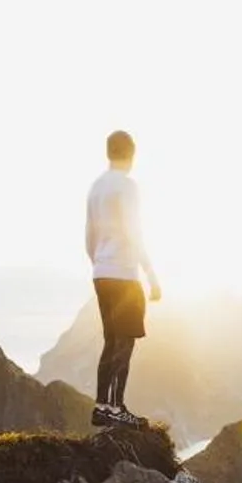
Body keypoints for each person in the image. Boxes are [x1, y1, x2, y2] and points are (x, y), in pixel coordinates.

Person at [85, 130, 161, 424]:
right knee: (125, 341)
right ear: (131, 154)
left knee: (110, 340)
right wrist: (150, 273)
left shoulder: (95, 188)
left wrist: (98, 263)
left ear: (108, 152)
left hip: (101, 272)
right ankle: (116, 409)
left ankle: (101, 406)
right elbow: (133, 230)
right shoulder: (127, 186)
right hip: (124, 274)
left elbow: (89, 234)